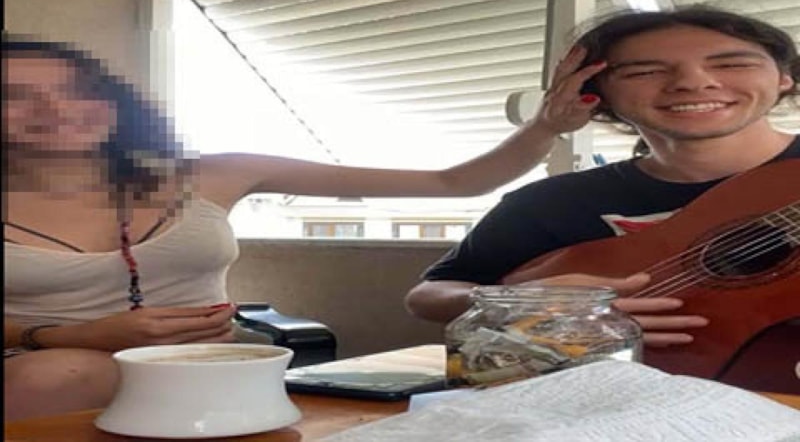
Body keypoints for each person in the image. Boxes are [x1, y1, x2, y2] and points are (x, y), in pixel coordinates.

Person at [1, 32, 603, 421]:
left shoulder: (214, 174)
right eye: (17, 95)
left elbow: (455, 183)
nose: (56, 109)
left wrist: (546, 126)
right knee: (62, 373)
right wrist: (66, 335)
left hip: (215, 362)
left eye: (77, 90)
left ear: (112, 102)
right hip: (34, 368)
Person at [406, 6, 799, 383]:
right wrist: (521, 302)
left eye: (732, 64)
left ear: (784, 78)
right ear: (595, 94)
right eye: (645, 71)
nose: (693, 82)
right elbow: (429, 295)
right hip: (598, 400)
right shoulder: (554, 202)